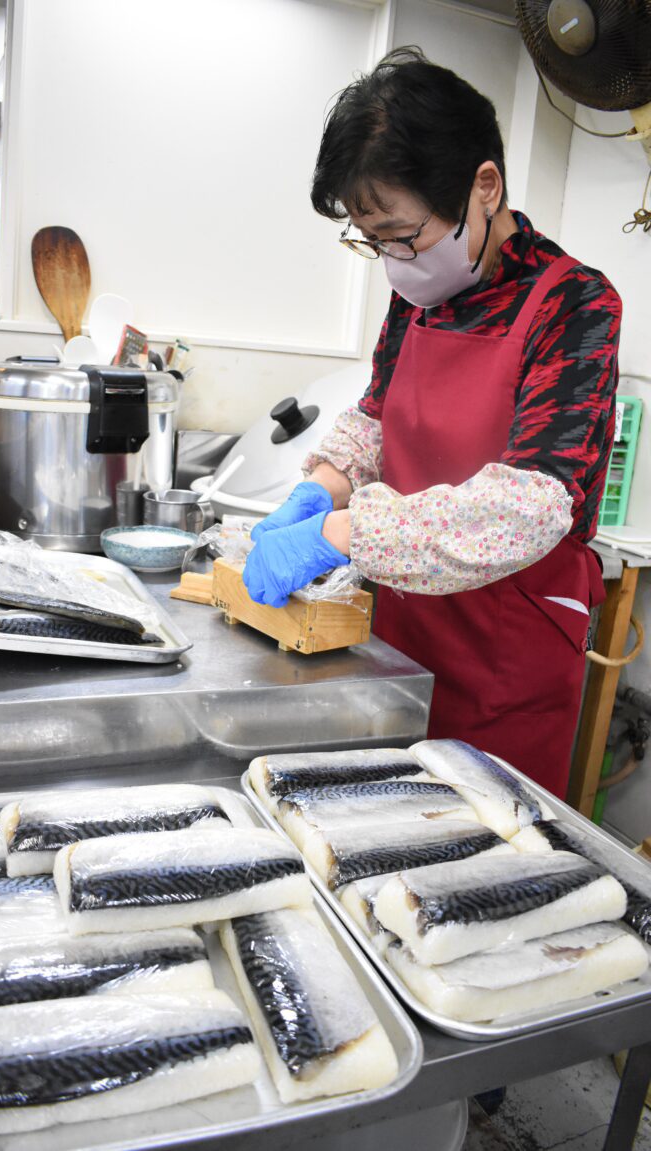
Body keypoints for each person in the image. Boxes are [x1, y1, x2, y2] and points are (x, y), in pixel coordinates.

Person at [243, 48, 620, 800]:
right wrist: (325, 485)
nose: (392, 261)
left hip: (506, 658)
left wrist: (340, 535)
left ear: (485, 186)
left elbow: (533, 505)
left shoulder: (573, 305)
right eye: (371, 239)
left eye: (402, 234)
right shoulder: (417, 296)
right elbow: (380, 411)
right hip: (400, 642)